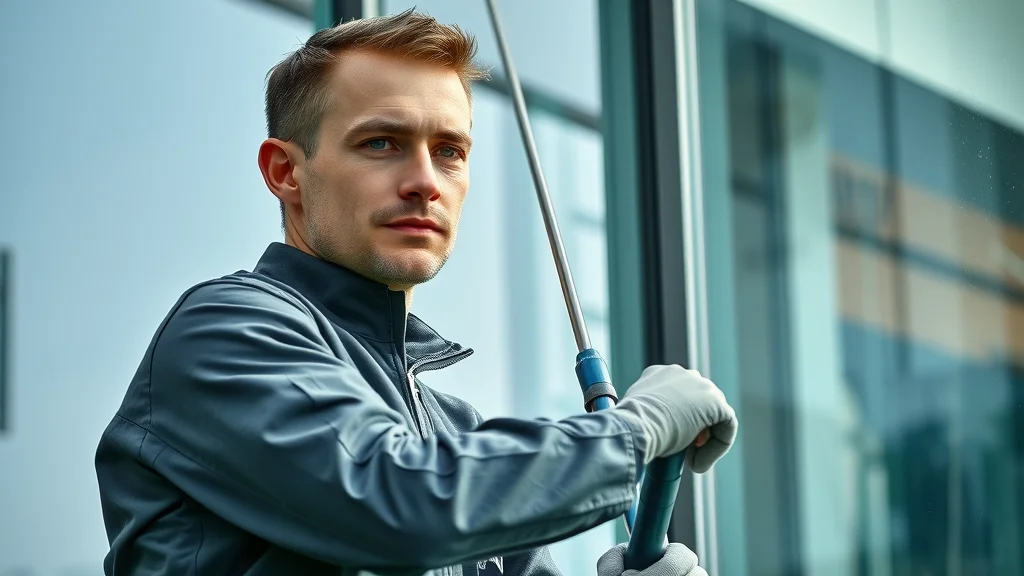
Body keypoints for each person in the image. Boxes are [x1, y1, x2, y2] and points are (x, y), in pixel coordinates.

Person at [94, 9, 738, 576]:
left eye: (450, 151)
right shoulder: (225, 334)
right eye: (382, 143)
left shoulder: (455, 433)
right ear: (285, 171)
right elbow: (400, 503)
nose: (425, 181)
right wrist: (632, 431)